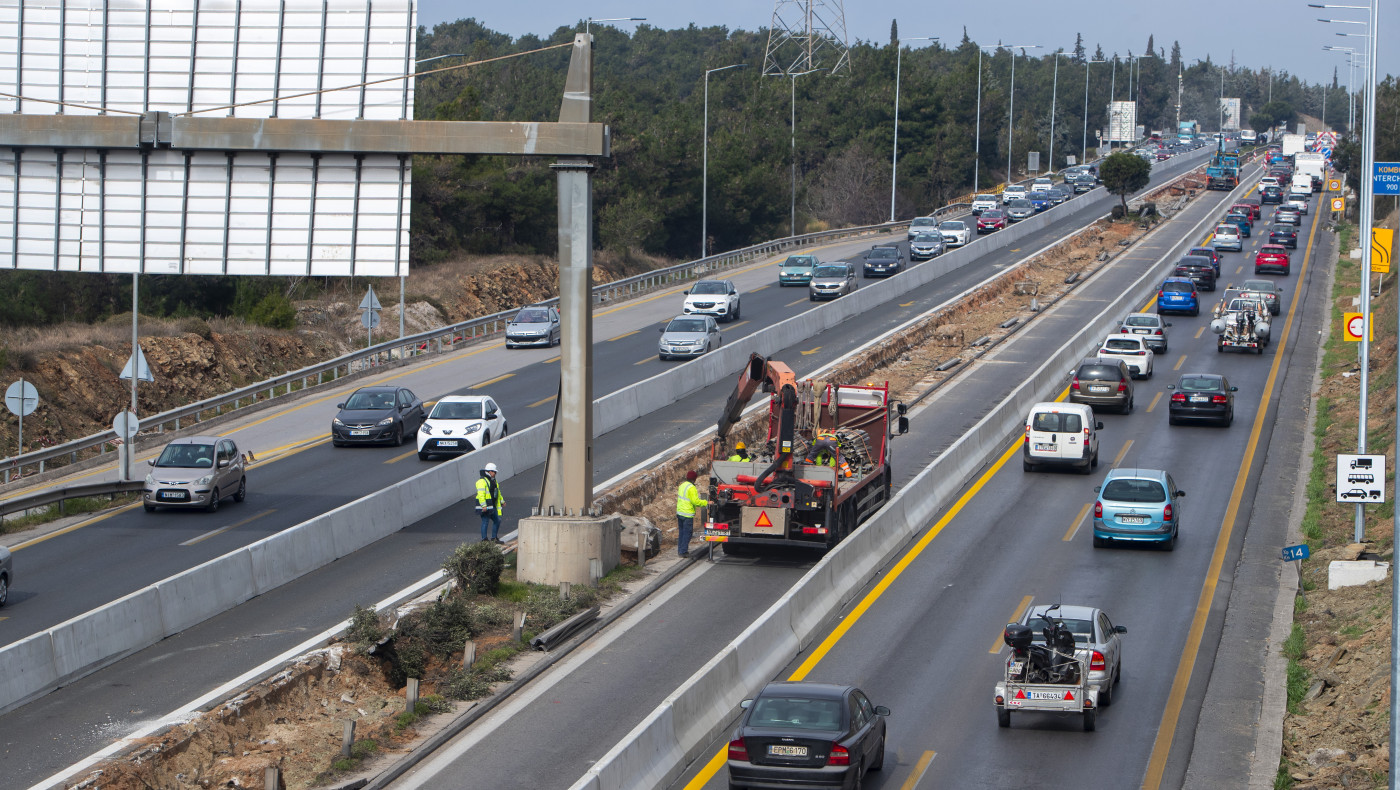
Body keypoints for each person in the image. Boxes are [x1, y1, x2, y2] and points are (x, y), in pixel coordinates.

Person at [676, 470, 708, 558]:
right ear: (694, 479)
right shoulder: (692, 488)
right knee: (687, 533)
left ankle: (680, 550)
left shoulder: (682, 485)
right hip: (687, 514)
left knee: (682, 533)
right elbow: (695, 502)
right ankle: (683, 551)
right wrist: (706, 502)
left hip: (680, 513)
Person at [476, 462, 505, 544]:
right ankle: (484, 539)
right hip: (486, 506)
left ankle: (494, 538)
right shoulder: (482, 481)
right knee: (485, 521)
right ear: (490, 471)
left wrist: (502, 501)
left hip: (491, 505)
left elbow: (497, 492)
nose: (495, 474)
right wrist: (483, 505)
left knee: (497, 520)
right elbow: (481, 495)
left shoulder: (493, 480)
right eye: (494, 472)